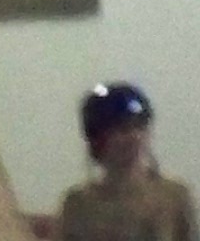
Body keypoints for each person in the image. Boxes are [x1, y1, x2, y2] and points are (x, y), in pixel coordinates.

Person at [59, 82, 196, 240]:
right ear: (98, 139)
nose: (134, 137)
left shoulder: (174, 197)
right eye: (123, 129)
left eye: (139, 127)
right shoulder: (77, 204)